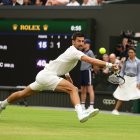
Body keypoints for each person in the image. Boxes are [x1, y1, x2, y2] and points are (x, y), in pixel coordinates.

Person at [0, 32, 118, 123]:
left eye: (82, 41)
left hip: (43, 76)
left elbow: (66, 71)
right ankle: (81, 114)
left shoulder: (73, 53)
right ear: (73, 42)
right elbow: (90, 60)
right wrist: (109, 65)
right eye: (78, 41)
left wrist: (69, 82)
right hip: (47, 76)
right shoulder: (74, 51)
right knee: (73, 89)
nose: (81, 43)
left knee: (23, 93)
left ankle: (2, 104)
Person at [112, 47, 140, 115]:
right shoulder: (125, 61)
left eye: (131, 52)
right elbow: (122, 71)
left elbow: (139, 72)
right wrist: (120, 80)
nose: (130, 54)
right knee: (122, 94)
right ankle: (115, 110)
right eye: (129, 52)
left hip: (134, 79)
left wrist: (138, 82)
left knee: (138, 94)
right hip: (126, 79)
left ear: (135, 53)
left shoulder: (138, 61)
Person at [80, 39, 95, 110]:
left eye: (85, 43)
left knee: (90, 89)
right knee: (83, 89)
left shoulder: (90, 52)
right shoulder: (82, 52)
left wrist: (93, 69)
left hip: (87, 71)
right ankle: (82, 105)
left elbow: (94, 61)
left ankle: (91, 106)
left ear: (88, 44)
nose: (83, 44)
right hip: (82, 71)